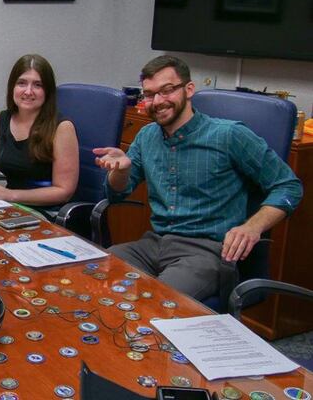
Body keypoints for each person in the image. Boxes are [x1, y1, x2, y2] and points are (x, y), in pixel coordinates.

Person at [93, 55, 302, 300]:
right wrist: (121, 171)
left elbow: (288, 186)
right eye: (149, 94)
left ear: (189, 89)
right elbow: (116, 194)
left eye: (167, 90)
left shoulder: (229, 135)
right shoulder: (147, 135)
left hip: (206, 252)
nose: (157, 101)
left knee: (153, 302)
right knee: (93, 275)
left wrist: (252, 227)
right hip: (154, 244)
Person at [0, 54, 79, 216]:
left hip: (46, 213)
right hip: (8, 207)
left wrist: (11, 195)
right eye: (22, 83)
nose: (28, 91)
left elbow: (64, 191)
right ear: (12, 87)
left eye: (37, 85)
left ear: (47, 91)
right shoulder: (0, 119)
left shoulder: (62, 128)